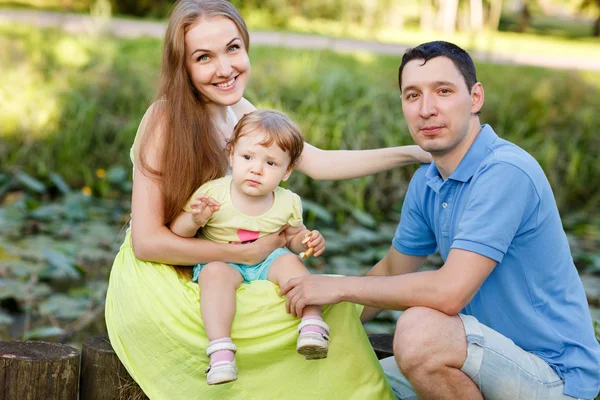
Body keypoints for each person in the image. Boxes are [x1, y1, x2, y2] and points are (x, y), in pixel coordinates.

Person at [104, 0, 430, 398]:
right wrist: (244, 254)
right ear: (183, 66)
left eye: (233, 48)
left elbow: (319, 161)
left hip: (236, 262)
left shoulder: (240, 111)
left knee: (317, 302)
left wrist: (414, 153)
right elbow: (147, 243)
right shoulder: (164, 119)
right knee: (309, 309)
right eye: (204, 57)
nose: (225, 68)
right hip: (166, 272)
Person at [281, 41, 600, 400]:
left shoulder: (505, 172)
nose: (426, 109)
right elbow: (391, 271)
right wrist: (323, 323)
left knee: (419, 332)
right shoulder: (428, 181)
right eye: (412, 95)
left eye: (443, 91)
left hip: (552, 375)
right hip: (476, 356)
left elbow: (449, 293)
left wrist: (337, 286)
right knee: (340, 377)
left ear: (475, 97)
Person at [169, 109, 330, 385]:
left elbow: (292, 236)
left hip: (268, 260)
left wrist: (306, 240)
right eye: (247, 158)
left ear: (287, 170)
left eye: (271, 163)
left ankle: (312, 324)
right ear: (231, 155)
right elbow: (177, 233)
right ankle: (221, 351)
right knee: (214, 275)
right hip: (223, 258)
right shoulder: (213, 193)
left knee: (292, 264)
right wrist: (196, 219)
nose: (256, 169)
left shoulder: (287, 201)